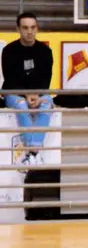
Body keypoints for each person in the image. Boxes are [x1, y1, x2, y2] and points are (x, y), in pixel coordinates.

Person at [3, 13, 54, 162]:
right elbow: (10, 79)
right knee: (22, 106)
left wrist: (37, 95)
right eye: (25, 28)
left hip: (39, 93)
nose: (29, 32)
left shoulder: (45, 51)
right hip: (14, 93)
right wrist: (26, 94)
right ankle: (34, 153)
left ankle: (32, 154)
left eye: (33, 27)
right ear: (18, 29)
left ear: (37, 28)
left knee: (46, 104)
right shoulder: (9, 51)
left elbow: (46, 80)